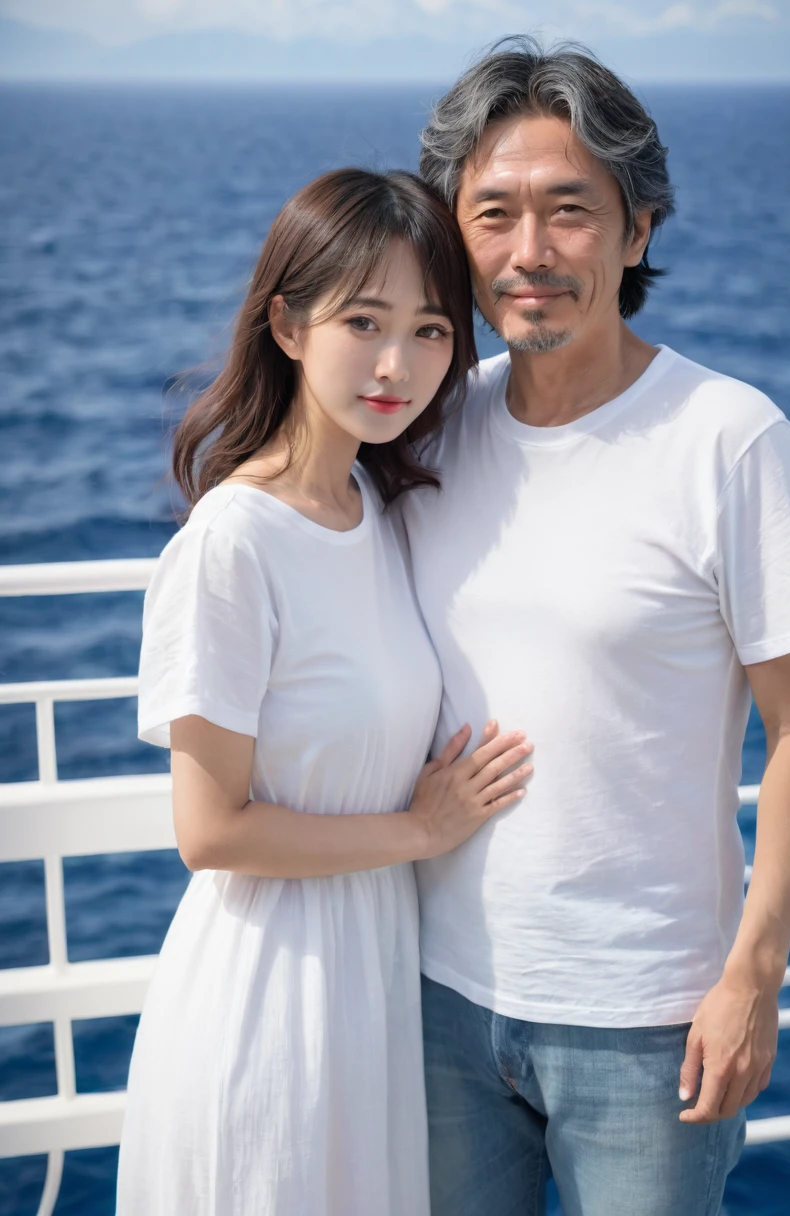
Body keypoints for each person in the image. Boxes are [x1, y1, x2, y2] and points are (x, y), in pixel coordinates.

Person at [401, 38, 790, 1216]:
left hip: (650, 1023)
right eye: (491, 214)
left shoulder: (728, 438)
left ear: (637, 230)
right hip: (440, 996)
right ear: (454, 234)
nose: (528, 253)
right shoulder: (430, 428)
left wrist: (753, 974)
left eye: (569, 212)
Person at [115, 167, 534, 1216]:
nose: (399, 365)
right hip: (266, 1002)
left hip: (373, 994)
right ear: (288, 325)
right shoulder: (234, 541)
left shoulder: (369, 505)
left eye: (432, 330)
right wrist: (418, 829)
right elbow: (210, 830)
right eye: (363, 321)